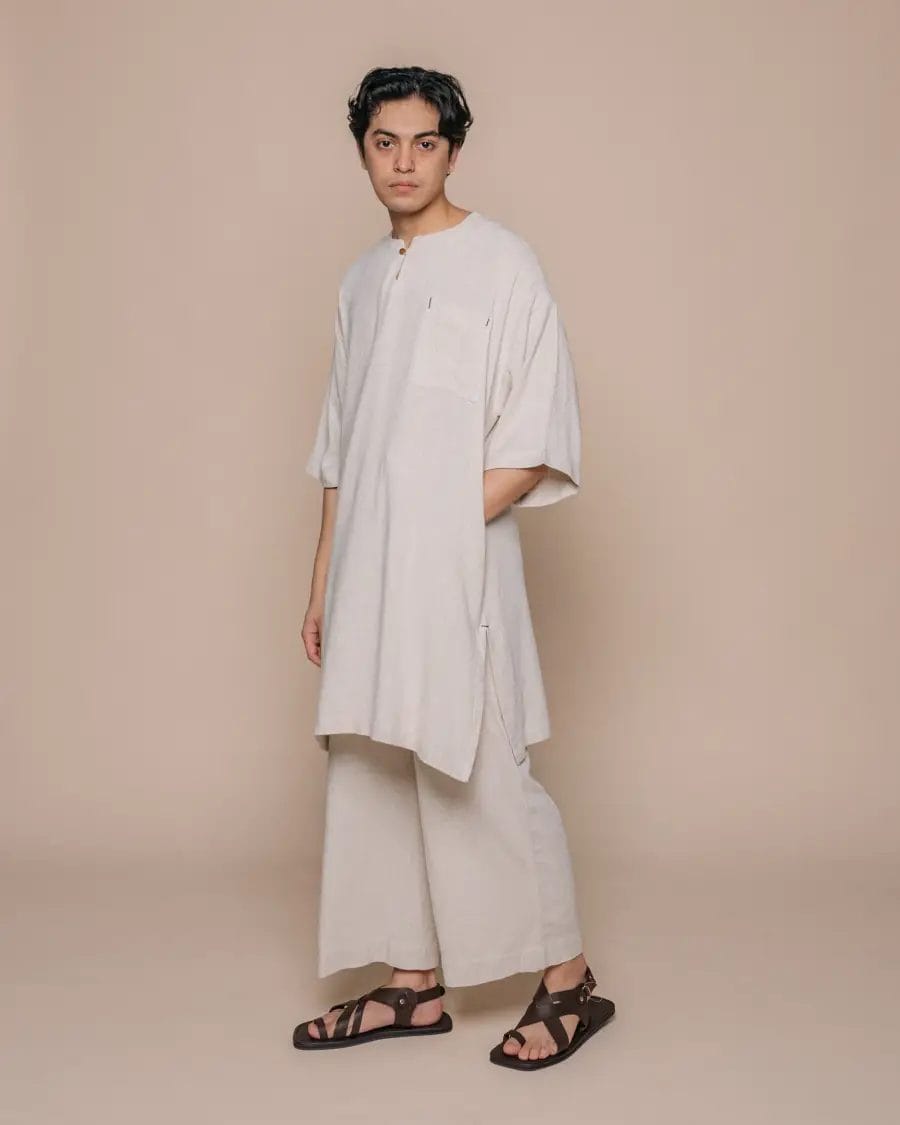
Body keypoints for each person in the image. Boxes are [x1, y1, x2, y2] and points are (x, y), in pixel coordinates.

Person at [292, 66, 614, 1070]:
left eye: (423, 142)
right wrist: (324, 580)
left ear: (453, 151)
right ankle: (411, 982)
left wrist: (429, 532)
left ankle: (570, 982)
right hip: (365, 572)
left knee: (477, 758)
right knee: (372, 761)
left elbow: (534, 436)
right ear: (362, 150)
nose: (404, 161)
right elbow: (343, 448)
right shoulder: (360, 279)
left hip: (456, 565)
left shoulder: (503, 263)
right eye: (384, 142)